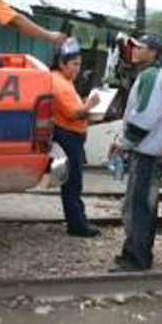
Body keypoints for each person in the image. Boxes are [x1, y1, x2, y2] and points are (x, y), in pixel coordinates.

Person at [109, 35, 162, 272]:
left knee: (139, 208)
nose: (134, 50)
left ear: (154, 52)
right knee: (141, 206)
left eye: (140, 47)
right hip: (148, 152)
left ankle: (136, 260)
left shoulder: (149, 77)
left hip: (146, 154)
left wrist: (125, 142)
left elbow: (145, 115)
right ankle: (135, 254)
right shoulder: (150, 76)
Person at [51, 40, 102, 238]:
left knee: (73, 182)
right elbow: (75, 114)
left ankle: (78, 221)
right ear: (62, 64)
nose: (77, 69)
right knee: (73, 183)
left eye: (79, 64)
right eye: (73, 64)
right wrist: (91, 104)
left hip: (71, 135)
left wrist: (86, 105)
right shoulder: (59, 83)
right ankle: (77, 225)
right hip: (68, 136)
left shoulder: (63, 80)